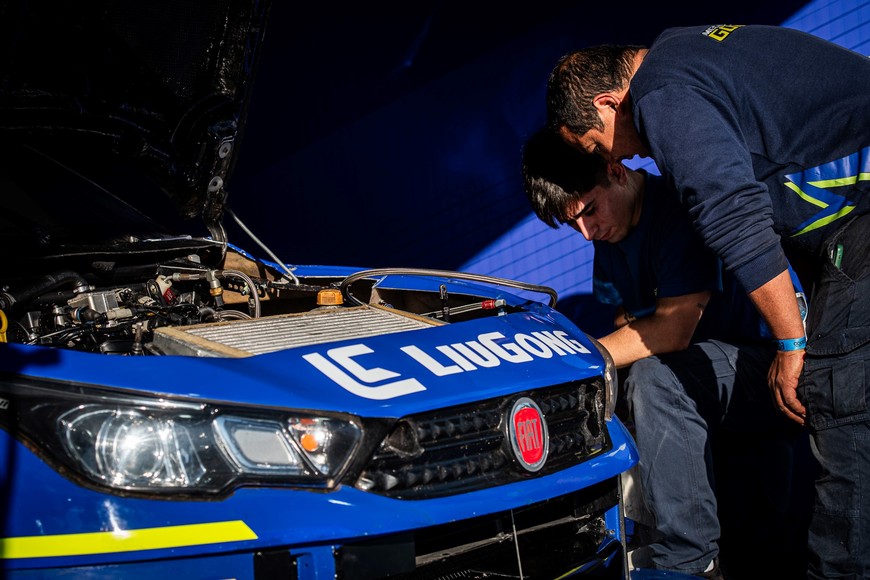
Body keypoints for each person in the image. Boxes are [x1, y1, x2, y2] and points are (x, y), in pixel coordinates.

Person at [544, 24, 870, 579]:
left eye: (598, 146)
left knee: (840, 397)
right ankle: (686, 566)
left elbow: (731, 212)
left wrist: (794, 341)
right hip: (840, 254)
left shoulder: (661, 91)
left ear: (607, 104)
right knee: (663, 381)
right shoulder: (691, 62)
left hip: (858, 236)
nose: (616, 154)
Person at [521, 128, 811, 579]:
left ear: (617, 172)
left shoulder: (677, 207)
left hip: (765, 373)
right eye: (572, 224)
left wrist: (575, 359)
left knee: (654, 378)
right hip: (701, 393)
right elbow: (627, 322)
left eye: (589, 212)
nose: (586, 233)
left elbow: (671, 330)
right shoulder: (609, 238)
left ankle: (686, 563)